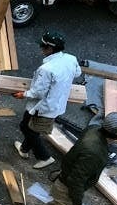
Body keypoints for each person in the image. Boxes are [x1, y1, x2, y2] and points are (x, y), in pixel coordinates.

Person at [13, 31, 82, 169]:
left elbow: (38, 92)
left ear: (50, 48)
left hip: (43, 107)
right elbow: (77, 73)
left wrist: (23, 94)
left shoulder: (46, 69)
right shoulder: (71, 59)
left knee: (28, 128)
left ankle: (45, 157)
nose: (41, 49)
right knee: (30, 128)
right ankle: (24, 150)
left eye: (42, 46)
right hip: (56, 103)